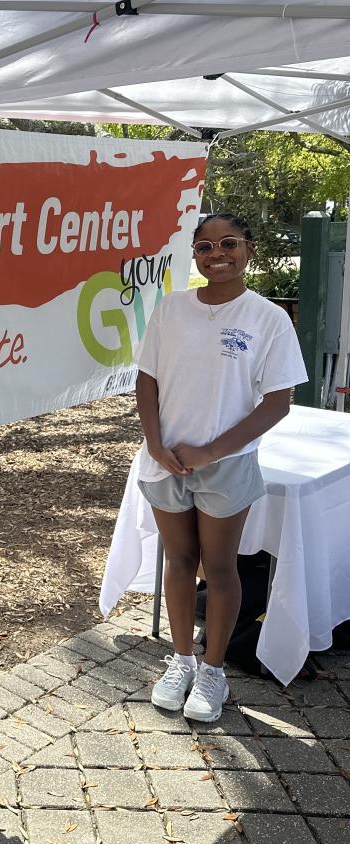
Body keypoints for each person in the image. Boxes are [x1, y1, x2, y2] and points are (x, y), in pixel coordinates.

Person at [134, 212, 308, 722]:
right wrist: (156, 443)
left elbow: (277, 403)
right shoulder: (170, 309)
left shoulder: (268, 318)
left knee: (219, 567)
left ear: (249, 249)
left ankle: (213, 671)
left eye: (229, 244)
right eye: (205, 247)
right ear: (195, 255)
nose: (217, 255)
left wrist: (211, 452)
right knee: (179, 562)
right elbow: (147, 379)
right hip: (166, 460)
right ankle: (182, 660)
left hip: (226, 464)